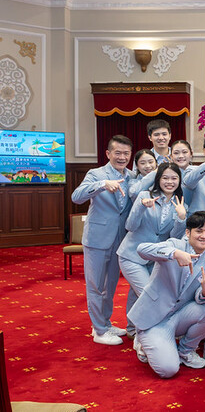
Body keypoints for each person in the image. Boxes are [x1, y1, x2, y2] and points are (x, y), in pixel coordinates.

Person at [129, 211, 205, 378]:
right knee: (168, 370)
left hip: (178, 316)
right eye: (199, 231)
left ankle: (185, 351)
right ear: (188, 232)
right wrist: (174, 254)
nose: (204, 236)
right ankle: (144, 340)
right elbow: (142, 249)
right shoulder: (175, 245)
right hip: (153, 319)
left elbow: (200, 299)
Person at [71, 135, 134, 345]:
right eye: (118, 153)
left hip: (120, 239)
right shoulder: (96, 174)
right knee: (96, 286)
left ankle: (105, 323)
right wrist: (102, 185)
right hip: (97, 239)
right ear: (108, 154)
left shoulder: (132, 176)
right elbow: (76, 197)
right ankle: (98, 330)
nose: (122, 157)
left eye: (126, 153)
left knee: (111, 285)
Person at [117, 163, 187, 339]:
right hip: (131, 255)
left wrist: (181, 218)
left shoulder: (180, 203)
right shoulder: (144, 195)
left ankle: (132, 329)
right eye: (165, 178)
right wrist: (141, 207)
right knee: (148, 294)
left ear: (179, 180)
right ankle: (148, 335)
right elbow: (130, 226)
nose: (169, 182)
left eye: (174, 178)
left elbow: (174, 238)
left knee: (137, 293)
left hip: (154, 258)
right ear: (158, 179)